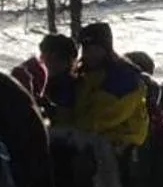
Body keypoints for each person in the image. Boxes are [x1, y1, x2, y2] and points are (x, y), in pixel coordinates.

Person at [54, 21, 150, 149]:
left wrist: (69, 128)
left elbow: (100, 118)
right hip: (89, 139)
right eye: (86, 48)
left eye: (95, 49)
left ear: (106, 49)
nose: (89, 54)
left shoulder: (123, 77)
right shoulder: (84, 76)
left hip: (120, 144)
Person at [14, 32, 75, 112]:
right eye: (47, 55)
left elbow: (68, 112)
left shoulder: (70, 85)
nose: (52, 61)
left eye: (58, 57)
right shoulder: (32, 76)